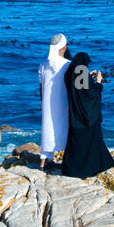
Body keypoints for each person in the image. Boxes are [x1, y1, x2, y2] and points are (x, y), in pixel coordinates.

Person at [62, 51, 114, 179]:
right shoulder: (81, 72)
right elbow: (90, 95)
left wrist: (87, 76)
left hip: (74, 116)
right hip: (87, 118)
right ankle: (92, 168)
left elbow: (79, 88)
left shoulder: (71, 72)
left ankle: (72, 169)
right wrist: (98, 82)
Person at [38, 34, 70, 170]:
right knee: (65, 128)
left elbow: (41, 86)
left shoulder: (43, 65)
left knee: (47, 128)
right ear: (64, 47)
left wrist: (42, 102)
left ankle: (44, 161)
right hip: (63, 101)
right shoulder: (68, 65)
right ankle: (67, 159)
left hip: (47, 101)